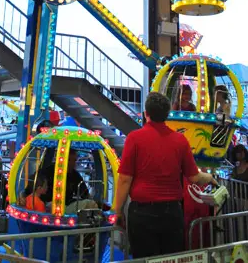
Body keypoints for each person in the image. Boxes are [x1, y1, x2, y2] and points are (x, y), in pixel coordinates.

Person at [115, 92, 217, 259]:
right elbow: (194, 177)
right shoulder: (180, 140)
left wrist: (118, 211)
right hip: (172, 213)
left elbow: (125, 179)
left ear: (146, 113)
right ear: (167, 114)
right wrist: (210, 178)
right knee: (171, 259)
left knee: (144, 258)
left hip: (142, 213)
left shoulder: (134, 138)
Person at [19, 149, 96, 213]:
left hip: (64, 206)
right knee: (90, 203)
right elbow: (30, 188)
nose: (73, 163)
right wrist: (22, 196)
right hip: (50, 206)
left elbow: (84, 193)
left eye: (74, 160)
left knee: (89, 203)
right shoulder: (47, 171)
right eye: (69, 160)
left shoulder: (75, 175)